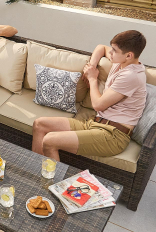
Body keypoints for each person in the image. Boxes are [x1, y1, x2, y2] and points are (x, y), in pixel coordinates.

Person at [32, 30, 147, 161]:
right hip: (95, 123)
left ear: (129, 55)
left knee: (50, 140)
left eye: (114, 50)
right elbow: (101, 47)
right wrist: (91, 65)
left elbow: (98, 105)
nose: (110, 53)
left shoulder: (131, 76)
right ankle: (38, 171)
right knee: (39, 124)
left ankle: (53, 181)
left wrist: (92, 78)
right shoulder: (122, 62)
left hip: (113, 135)